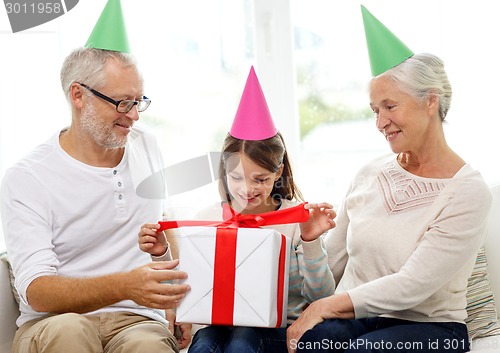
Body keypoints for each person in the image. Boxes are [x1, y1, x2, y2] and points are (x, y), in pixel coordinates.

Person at [285, 6, 492, 353]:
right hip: (359, 319)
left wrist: (324, 308)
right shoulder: (368, 173)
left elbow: (413, 284)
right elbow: (331, 273)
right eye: (374, 111)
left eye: (390, 106)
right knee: (314, 343)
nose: (380, 123)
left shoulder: (469, 191)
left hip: (429, 327)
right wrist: (309, 247)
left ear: (430, 101)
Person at [0, 1, 190, 352]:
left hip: (135, 321)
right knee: (72, 332)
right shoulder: (27, 177)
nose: (134, 115)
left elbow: (166, 223)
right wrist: (124, 286)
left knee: (148, 346)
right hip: (53, 322)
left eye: (139, 101)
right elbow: (37, 290)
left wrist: (180, 305)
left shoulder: (147, 146)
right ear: (78, 96)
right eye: (122, 102)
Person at [139, 66, 337, 353]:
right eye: (235, 178)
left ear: (278, 172)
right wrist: (162, 253)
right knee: (205, 343)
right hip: (217, 328)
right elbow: (187, 290)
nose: (247, 189)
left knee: (243, 339)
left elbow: (322, 296)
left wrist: (310, 241)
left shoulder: (296, 220)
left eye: (261, 179)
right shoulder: (207, 218)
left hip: (276, 333)